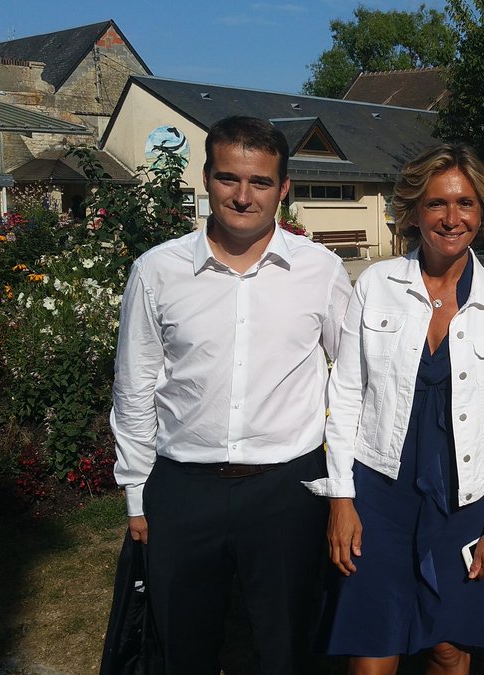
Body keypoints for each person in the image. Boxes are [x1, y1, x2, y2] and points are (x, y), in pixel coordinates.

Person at [111, 115, 352, 673]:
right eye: (228, 179)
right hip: (182, 489)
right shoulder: (157, 271)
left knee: (286, 647)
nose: (243, 197)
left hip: (286, 489)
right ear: (206, 178)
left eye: (261, 182)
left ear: (283, 189)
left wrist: (343, 485)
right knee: (178, 645)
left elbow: (353, 378)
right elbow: (134, 386)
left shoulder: (320, 271)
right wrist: (135, 491)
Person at [305, 143, 484, 675]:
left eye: (466, 204)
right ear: (413, 212)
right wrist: (341, 498)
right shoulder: (376, 286)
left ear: (482, 212)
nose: (452, 218)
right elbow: (347, 394)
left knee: (449, 646)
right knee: (373, 647)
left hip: (464, 496)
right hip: (380, 493)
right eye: (436, 204)